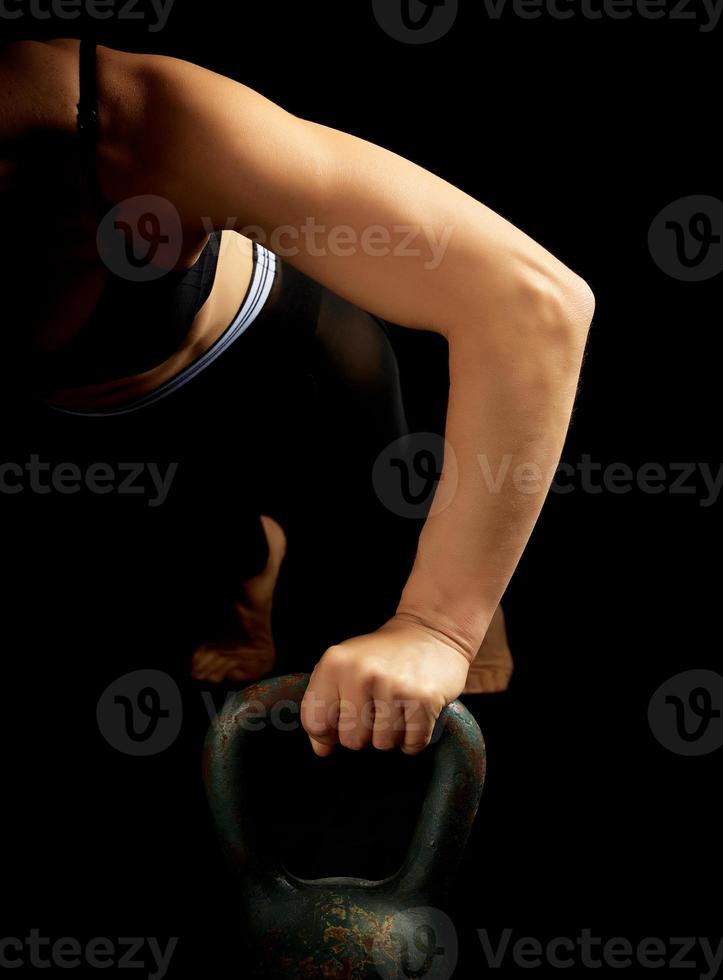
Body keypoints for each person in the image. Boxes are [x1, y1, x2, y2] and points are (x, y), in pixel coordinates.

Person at [0, 37, 593, 757]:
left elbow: (528, 301)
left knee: (367, 611)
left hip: (282, 373)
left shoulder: (124, 115)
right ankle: (248, 569)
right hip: (106, 425)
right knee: (196, 567)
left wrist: (436, 627)